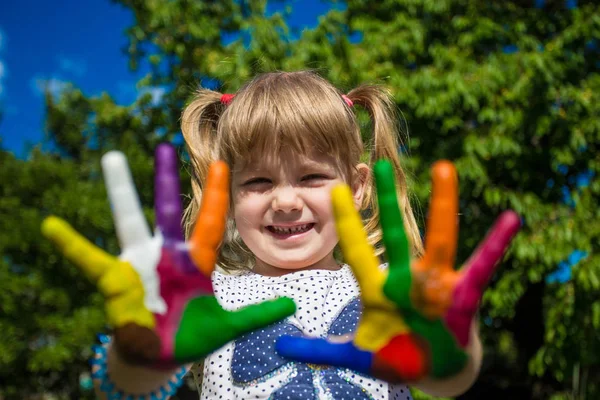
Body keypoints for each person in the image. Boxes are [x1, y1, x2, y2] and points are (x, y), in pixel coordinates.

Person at [42, 70, 520, 400]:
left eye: (311, 177)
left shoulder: (390, 288)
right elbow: (132, 385)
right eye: (258, 182)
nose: (285, 201)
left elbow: (449, 384)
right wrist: (141, 350)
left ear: (357, 187)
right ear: (226, 197)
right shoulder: (208, 295)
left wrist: (448, 355)